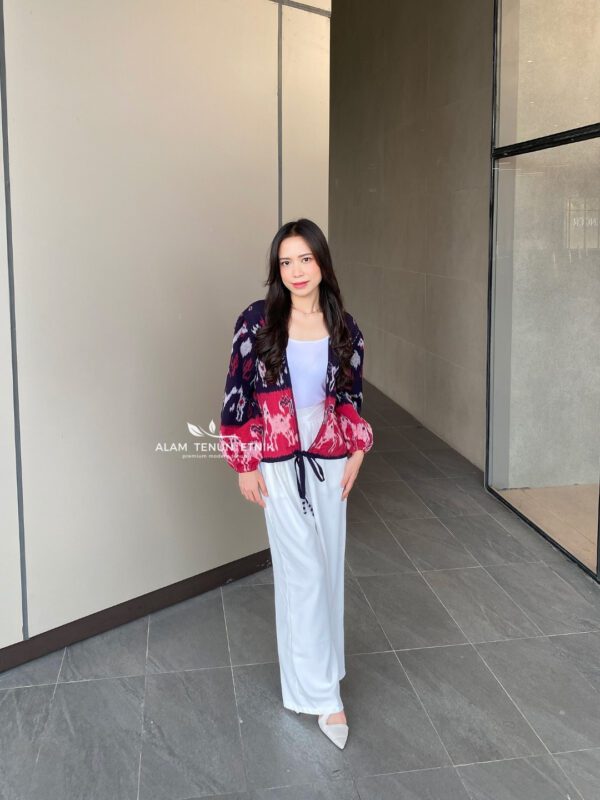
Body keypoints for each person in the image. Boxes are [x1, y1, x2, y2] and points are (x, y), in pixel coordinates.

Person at [219, 218, 373, 750]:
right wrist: (244, 462)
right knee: (302, 572)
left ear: (322, 262)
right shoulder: (256, 321)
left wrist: (358, 449)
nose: (296, 271)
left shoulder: (346, 327)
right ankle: (326, 696)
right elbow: (237, 393)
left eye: (305, 259)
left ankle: (317, 677)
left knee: (326, 569)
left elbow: (350, 398)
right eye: (286, 262)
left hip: (330, 459)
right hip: (277, 459)